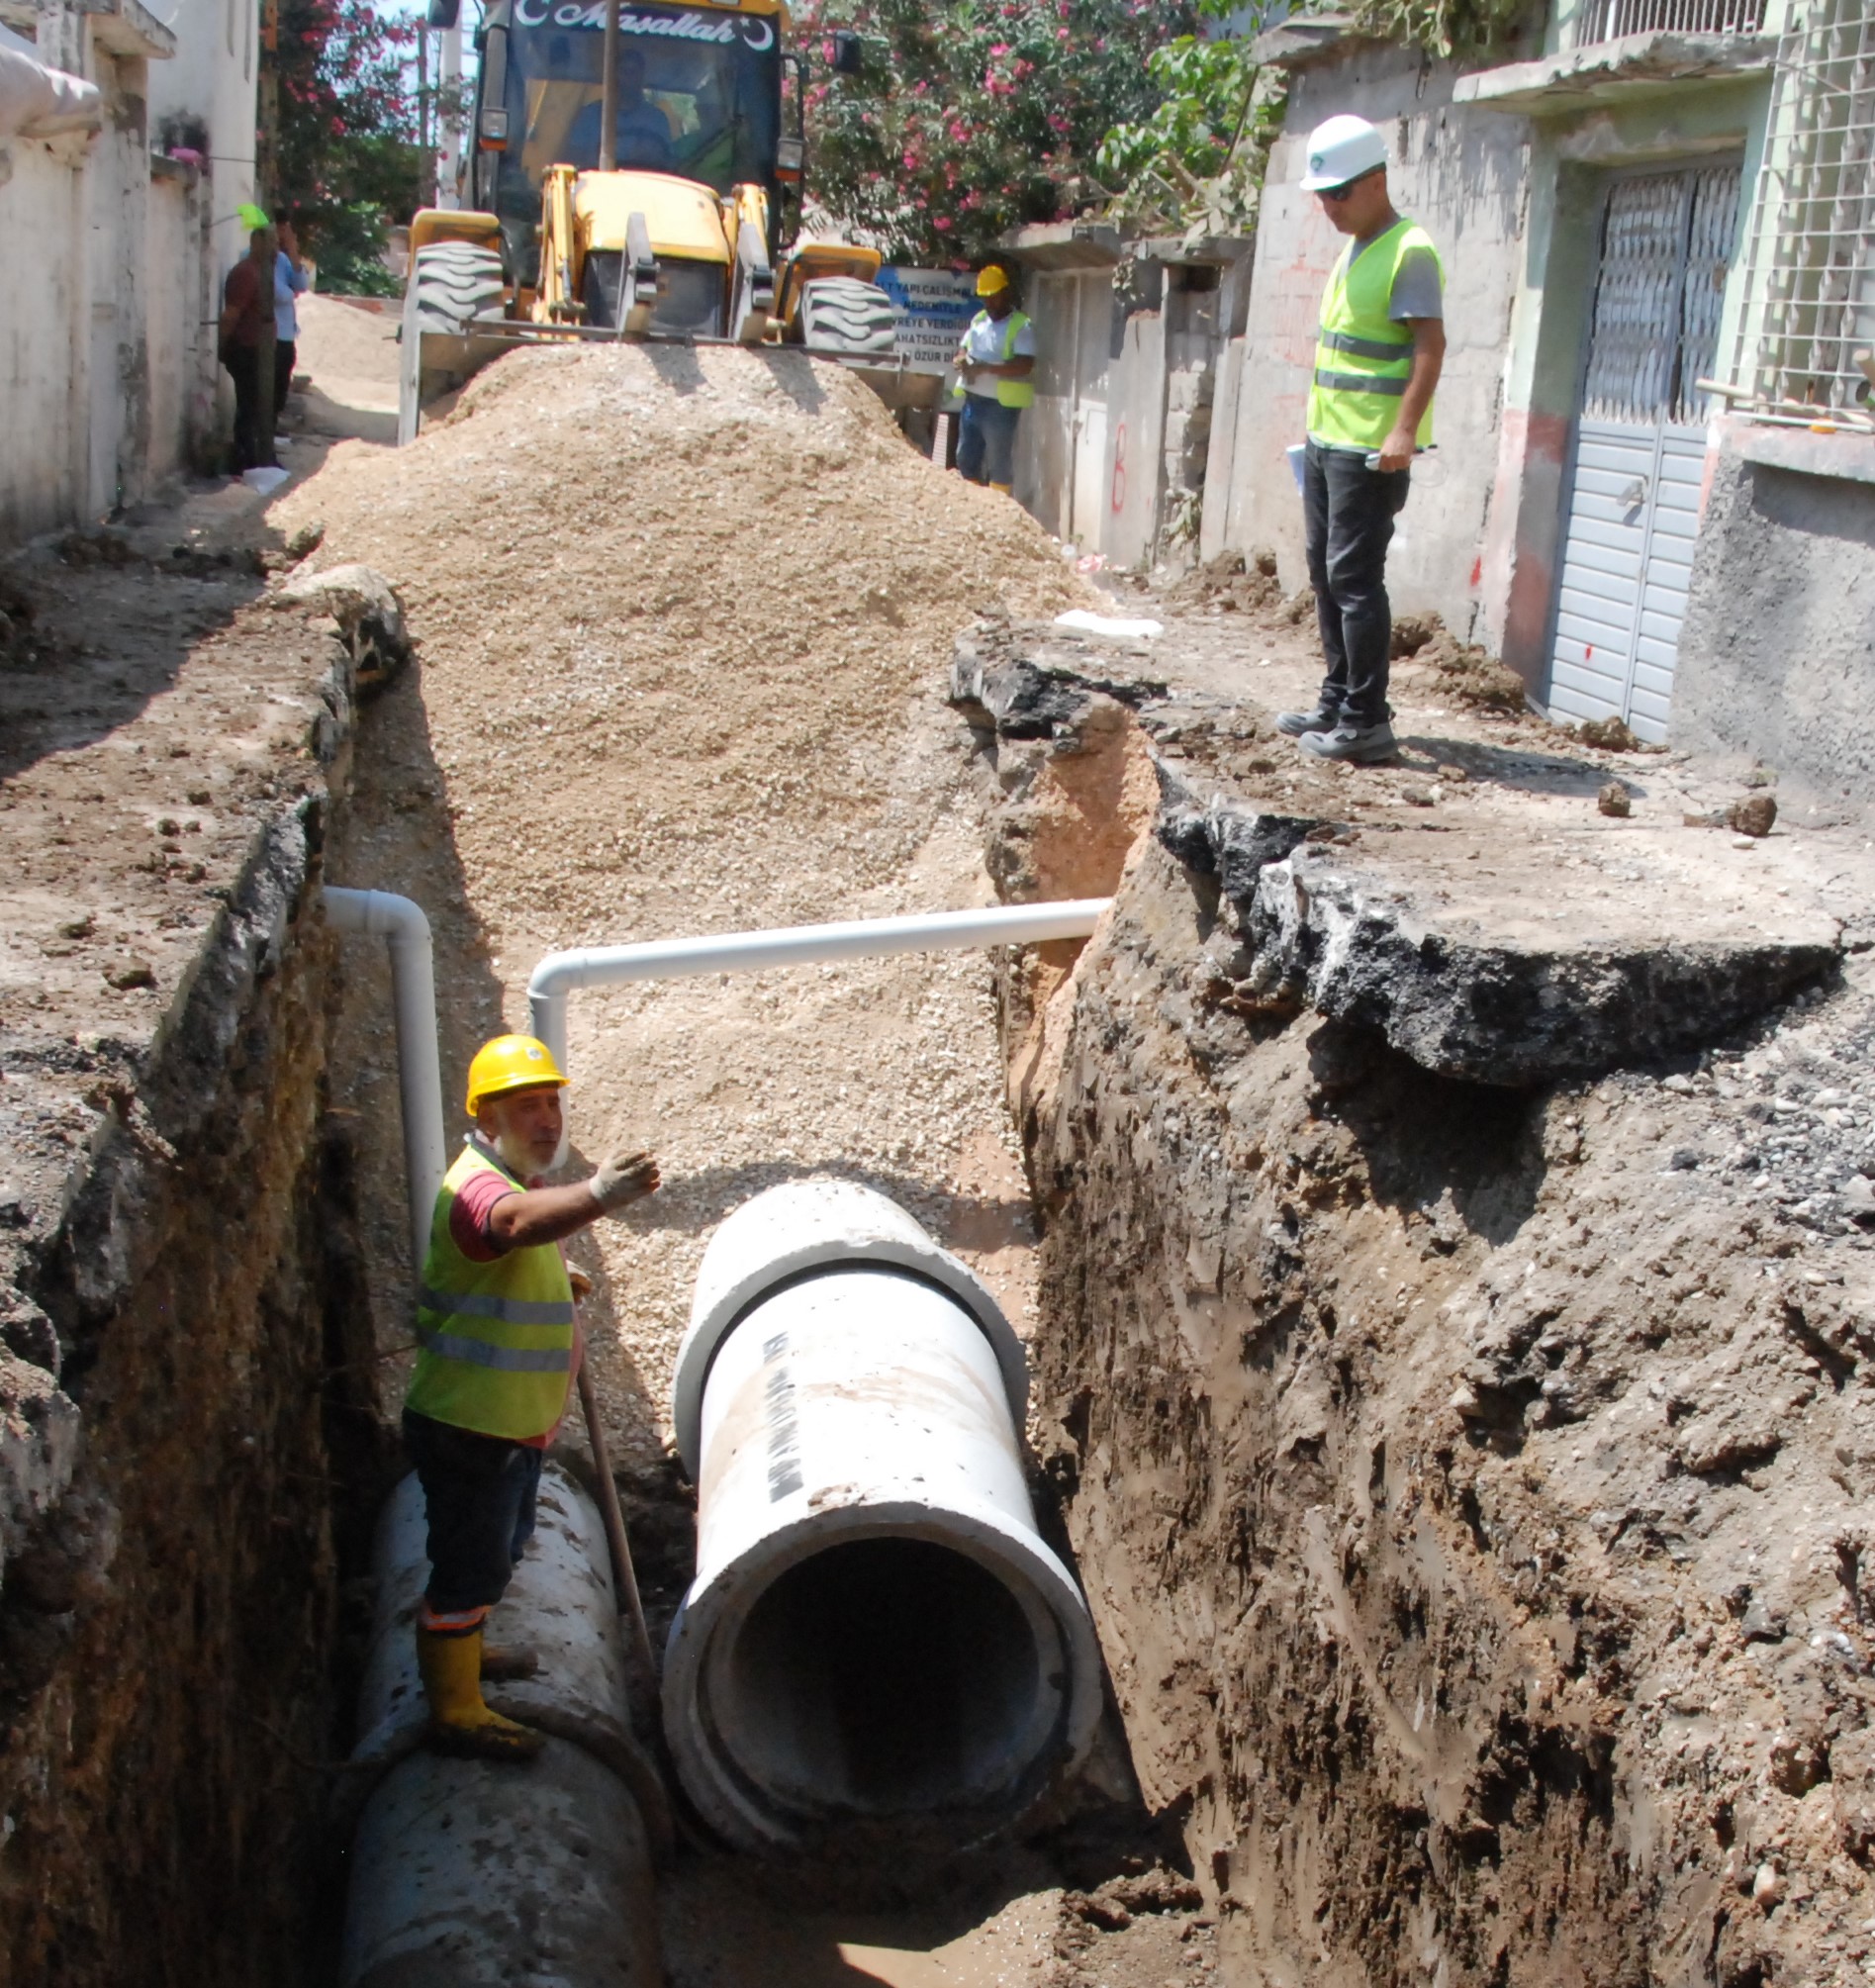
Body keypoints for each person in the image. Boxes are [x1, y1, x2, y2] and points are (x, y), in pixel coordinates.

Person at [405, 1032, 660, 1760]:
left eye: (552, 1102)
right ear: (486, 1116)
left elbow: (511, 1252)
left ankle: (466, 1645)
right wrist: (599, 1194)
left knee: (503, 1548)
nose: (547, 1119)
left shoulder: (508, 1175)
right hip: (469, 1426)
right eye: (527, 1106)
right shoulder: (477, 1188)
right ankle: (455, 1709)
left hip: (506, 1426)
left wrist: (554, 1281)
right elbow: (511, 1225)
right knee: (470, 1564)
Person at [1277, 114, 1446, 766]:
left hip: (1370, 450)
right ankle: (1337, 699)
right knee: (1326, 574)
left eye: (1339, 193)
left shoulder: (1409, 250)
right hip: (1328, 442)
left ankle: (1366, 720)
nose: (1329, 206)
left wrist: (1403, 429)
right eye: (1322, 195)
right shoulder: (1356, 249)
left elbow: (1429, 346)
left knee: (1353, 578)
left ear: (1376, 181)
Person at [953, 264, 1034, 494]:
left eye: (993, 296)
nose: (989, 303)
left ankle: (1000, 507)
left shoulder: (1020, 326)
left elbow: (1025, 364)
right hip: (973, 401)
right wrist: (961, 359)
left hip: (1000, 406)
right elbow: (963, 348)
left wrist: (986, 368)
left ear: (1005, 293)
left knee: (998, 462)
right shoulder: (979, 320)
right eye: (985, 297)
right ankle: (970, 504)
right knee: (965, 458)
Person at [218, 225, 278, 473]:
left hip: (259, 349)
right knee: (249, 405)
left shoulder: (262, 272)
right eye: (270, 242)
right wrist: (223, 343)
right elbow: (231, 314)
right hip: (245, 348)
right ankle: (244, 458)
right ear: (256, 243)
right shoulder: (246, 273)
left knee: (257, 405)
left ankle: (256, 456)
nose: (275, 248)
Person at [563, 47, 673, 170]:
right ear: (613, 76)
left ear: (642, 77)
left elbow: (667, 164)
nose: (629, 78)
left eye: (634, 72)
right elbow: (573, 159)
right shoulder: (589, 116)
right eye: (624, 71)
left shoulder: (657, 120)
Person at [273, 220, 312, 432]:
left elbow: (301, 285)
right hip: (269, 334)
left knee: (281, 385)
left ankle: (272, 426)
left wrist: (293, 250)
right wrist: (290, 293)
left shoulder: (282, 259)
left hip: (286, 333)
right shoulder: (253, 258)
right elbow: (277, 293)